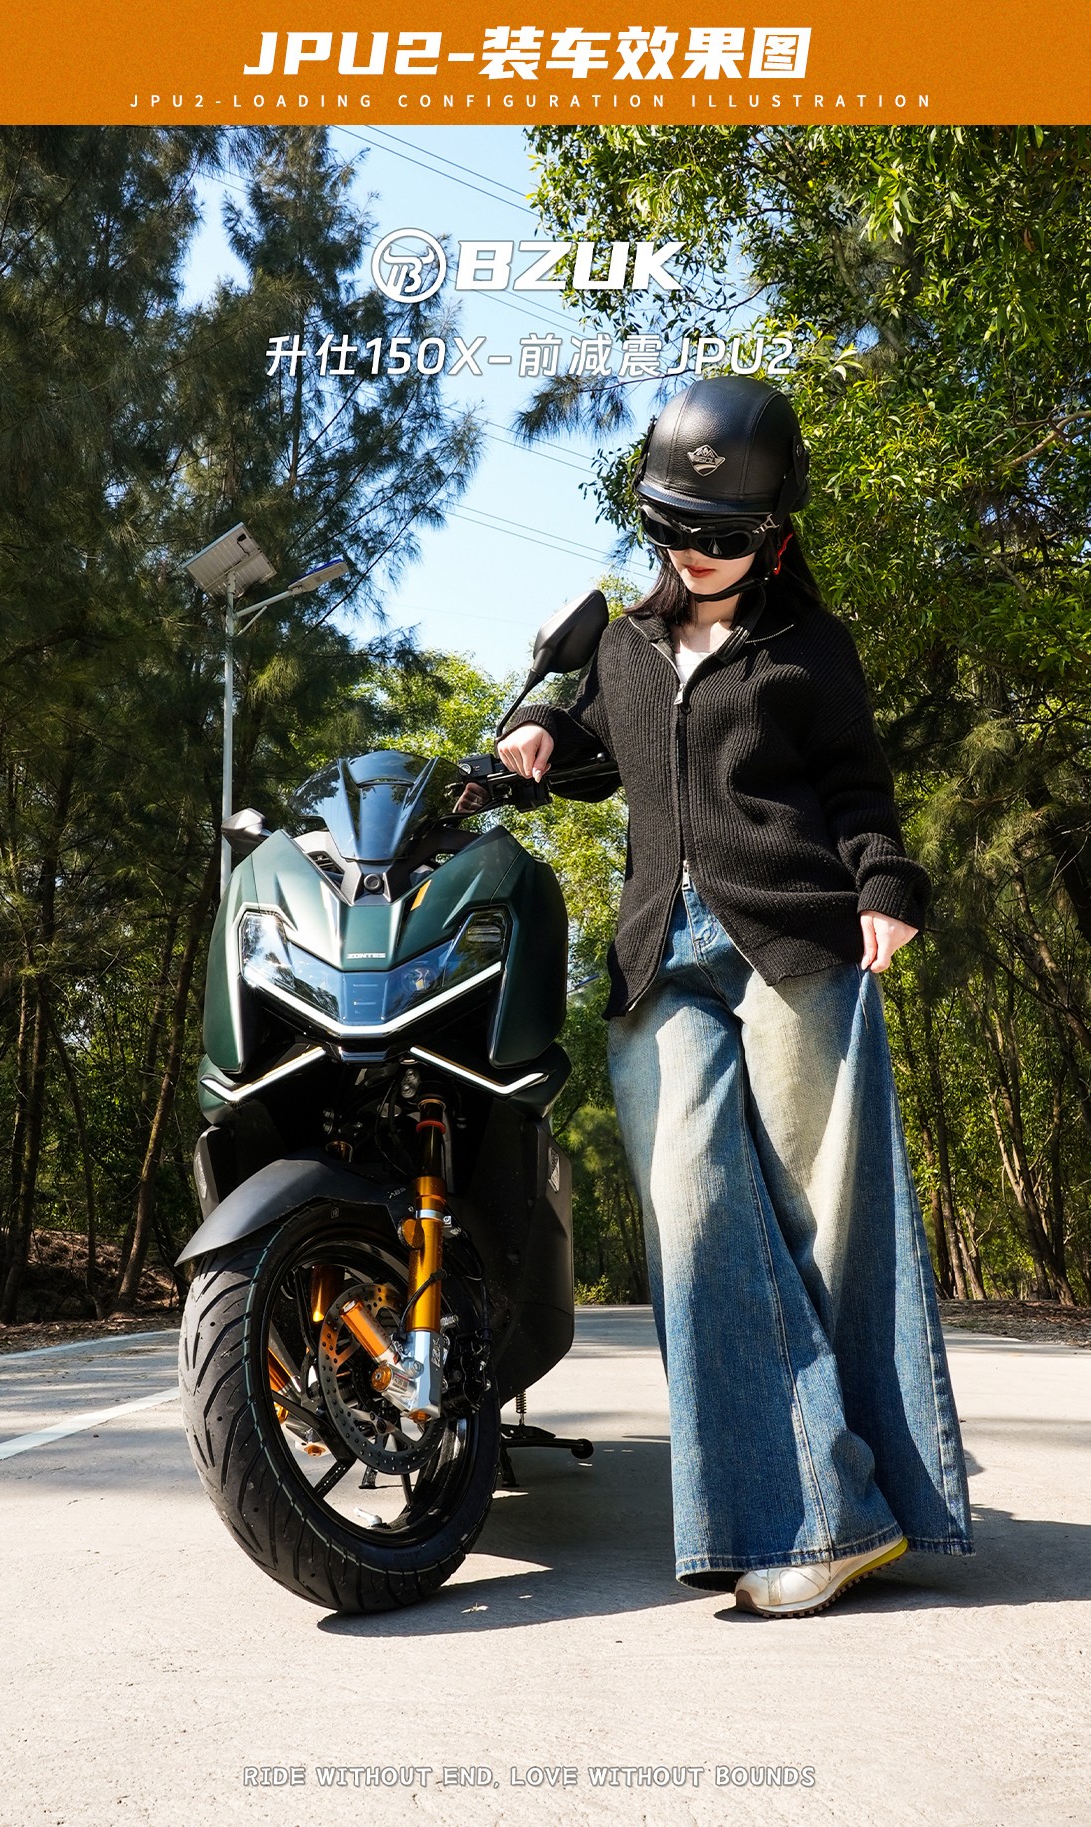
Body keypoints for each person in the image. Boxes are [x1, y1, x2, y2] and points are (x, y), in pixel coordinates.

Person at [496, 376, 975, 1619]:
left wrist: (887, 887)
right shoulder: (623, 647)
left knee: (827, 1224)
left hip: (797, 935)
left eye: (721, 535)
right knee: (693, 1214)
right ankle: (811, 1506)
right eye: (670, 528)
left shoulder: (812, 649)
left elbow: (858, 791)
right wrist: (538, 728)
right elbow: (590, 754)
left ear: (776, 533)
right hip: (661, 957)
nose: (693, 554)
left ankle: (845, 1514)